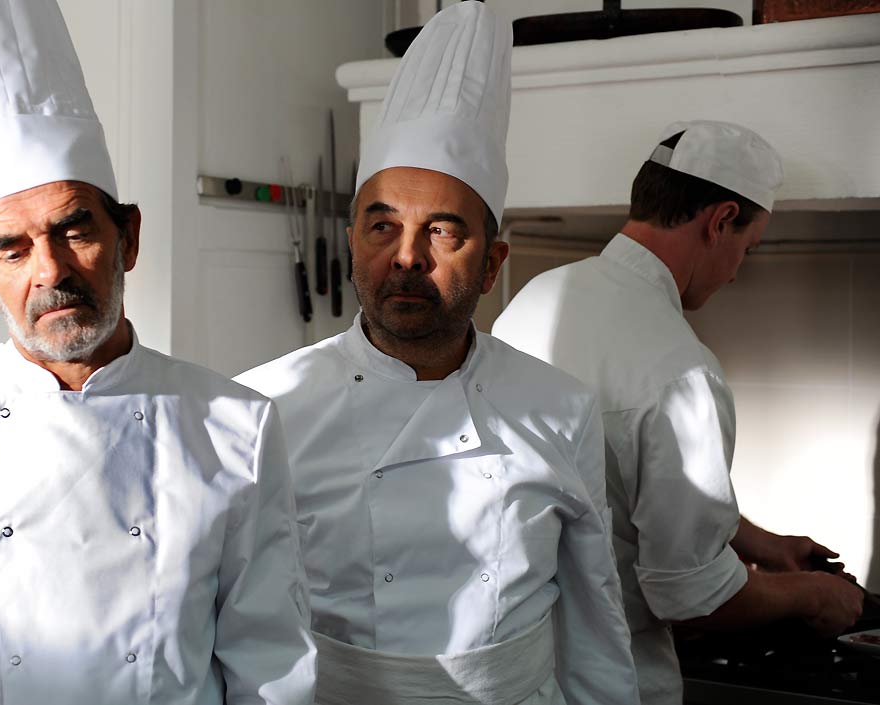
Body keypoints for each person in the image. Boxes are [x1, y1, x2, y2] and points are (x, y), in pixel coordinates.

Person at [0, 1, 315, 704]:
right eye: (11, 249)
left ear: (129, 238)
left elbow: (272, 669)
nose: (49, 270)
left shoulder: (237, 425)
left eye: (74, 228)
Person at [235, 5, 639, 704]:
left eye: (443, 232)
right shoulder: (262, 407)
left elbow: (593, 615)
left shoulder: (561, 408)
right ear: (353, 240)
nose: (407, 257)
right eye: (382, 225)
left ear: (492, 264)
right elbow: (237, 631)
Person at [493, 120, 864, 705]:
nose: (739, 268)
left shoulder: (535, 298)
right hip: (610, 681)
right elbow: (692, 599)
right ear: (719, 222)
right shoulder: (681, 370)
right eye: (748, 246)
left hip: (512, 671)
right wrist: (809, 594)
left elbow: (611, 485)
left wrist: (762, 546)